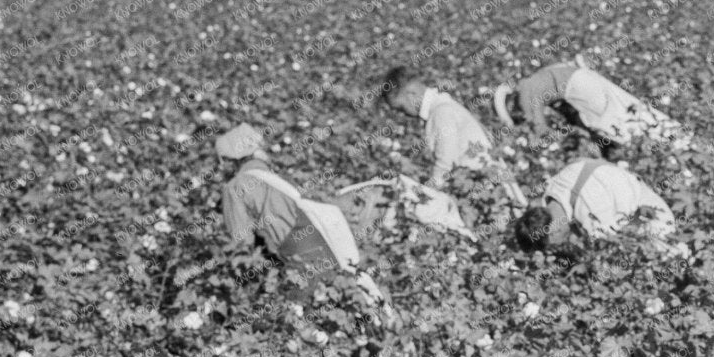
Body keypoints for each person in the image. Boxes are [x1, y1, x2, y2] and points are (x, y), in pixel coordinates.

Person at [376, 66, 524, 230]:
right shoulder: (444, 106)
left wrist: (425, 197)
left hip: (487, 191)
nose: (403, 114)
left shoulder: (441, 112)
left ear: (411, 95)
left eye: (401, 108)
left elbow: (446, 162)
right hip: (485, 186)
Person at [216, 125, 360, 275]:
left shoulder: (234, 187)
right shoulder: (281, 177)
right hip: (328, 242)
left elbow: (242, 244)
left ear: (230, 159)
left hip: (297, 252)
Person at [493, 54, 687, 155]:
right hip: (583, 79)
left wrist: (538, 145)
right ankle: (675, 135)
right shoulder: (532, 81)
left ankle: (660, 147)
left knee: (613, 121)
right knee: (627, 108)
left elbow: (538, 127)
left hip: (579, 88)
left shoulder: (525, 95)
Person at [512, 156, 678, 253]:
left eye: (554, 245)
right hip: (624, 182)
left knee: (668, 252)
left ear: (554, 232)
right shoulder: (554, 188)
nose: (558, 247)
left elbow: (617, 243)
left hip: (652, 214)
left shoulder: (595, 215)